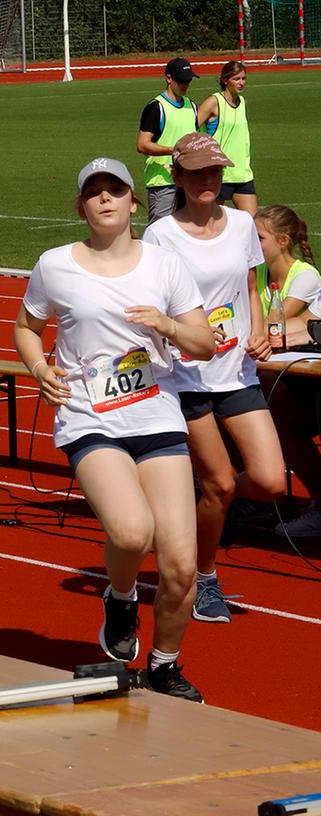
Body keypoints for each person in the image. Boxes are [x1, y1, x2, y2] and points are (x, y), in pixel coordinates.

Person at [15, 157, 215, 701]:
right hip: (89, 417)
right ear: (82, 206)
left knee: (180, 565)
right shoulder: (55, 264)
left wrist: (168, 324)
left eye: (115, 191)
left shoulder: (165, 265)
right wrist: (39, 368)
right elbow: (26, 328)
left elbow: (204, 343)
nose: (105, 199)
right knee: (131, 532)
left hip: (155, 415)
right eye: (94, 192)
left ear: (133, 202)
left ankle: (164, 664)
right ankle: (121, 596)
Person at [142, 132, 285, 625]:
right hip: (187, 376)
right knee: (221, 484)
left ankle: (190, 503)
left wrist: (263, 325)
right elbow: (155, 305)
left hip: (237, 370)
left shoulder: (243, 224)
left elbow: (252, 283)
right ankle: (205, 578)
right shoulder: (161, 235)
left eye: (215, 172)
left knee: (269, 481)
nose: (208, 181)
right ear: (177, 176)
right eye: (197, 172)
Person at [257, 207, 321, 537]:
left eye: (259, 239)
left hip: (304, 379)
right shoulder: (257, 273)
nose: (252, 246)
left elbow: (278, 326)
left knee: (271, 402)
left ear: (283, 241)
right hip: (284, 371)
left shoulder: (305, 275)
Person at [138, 57, 199, 224]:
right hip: (163, 183)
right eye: (181, 81)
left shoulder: (192, 106)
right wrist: (173, 150)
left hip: (189, 181)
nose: (185, 85)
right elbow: (142, 144)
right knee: (159, 235)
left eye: (188, 81)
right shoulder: (156, 107)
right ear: (169, 79)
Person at [197, 61, 257, 215]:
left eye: (243, 79)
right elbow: (191, 128)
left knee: (252, 224)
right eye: (236, 79)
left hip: (242, 173)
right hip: (219, 174)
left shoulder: (242, 102)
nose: (241, 83)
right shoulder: (214, 102)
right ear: (225, 80)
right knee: (210, 224)